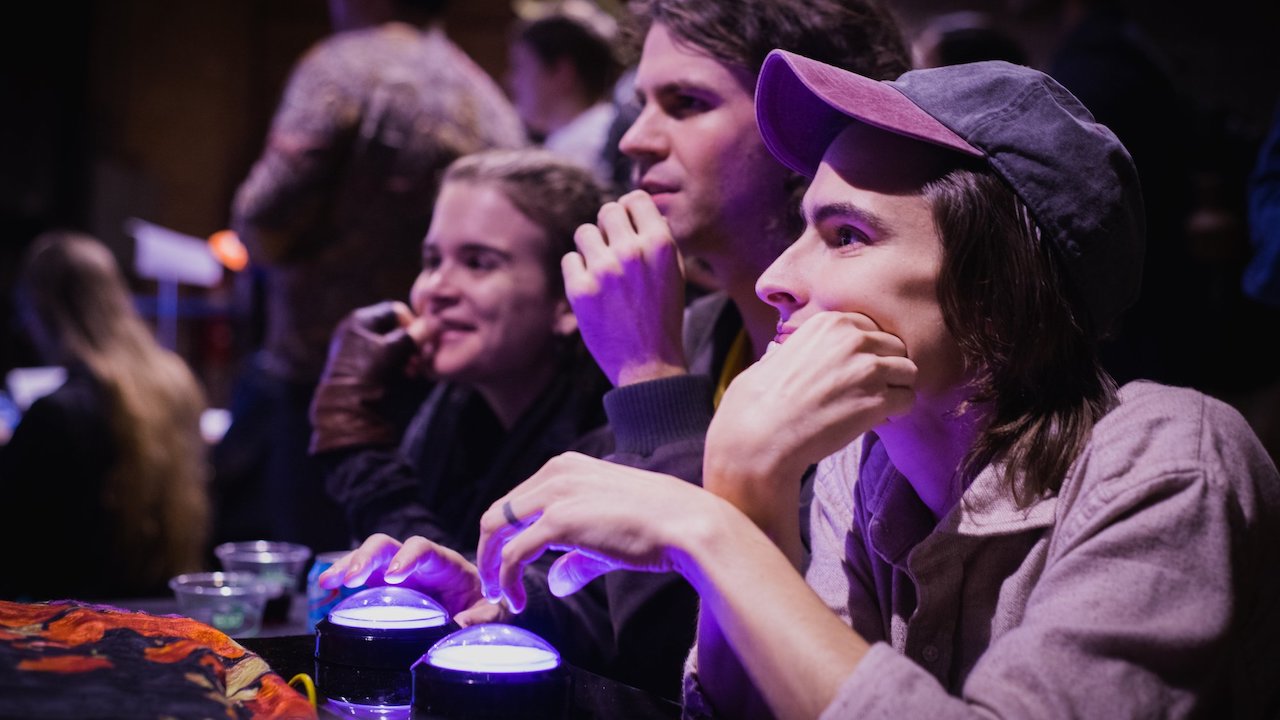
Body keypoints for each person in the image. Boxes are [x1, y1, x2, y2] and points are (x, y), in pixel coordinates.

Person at [455, 53, 1276, 718]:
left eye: (845, 235)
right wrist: (749, 491)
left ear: (996, 289)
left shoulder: (1173, 459)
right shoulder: (865, 467)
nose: (776, 277)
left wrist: (711, 528)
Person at [320, 0, 912, 699]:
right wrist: (496, 604)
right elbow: (612, 615)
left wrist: (648, 375)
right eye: (640, 104)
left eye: (685, 103)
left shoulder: (870, 360)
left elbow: (700, 666)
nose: (634, 139)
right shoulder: (701, 331)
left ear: (804, 127)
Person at [216, 0, 526, 553]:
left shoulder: (340, 70)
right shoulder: (481, 90)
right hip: (446, 385)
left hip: (323, 376)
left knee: (312, 579)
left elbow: (263, 219)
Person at [308, 148, 614, 665]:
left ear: (566, 300)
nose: (435, 290)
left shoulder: (604, 429)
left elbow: (455, 597)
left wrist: (355, 444)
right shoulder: (452, 407)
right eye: (431, 261)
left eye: (477, 262)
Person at [1, 232, 210, 601]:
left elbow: (19, 537)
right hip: (159, 605)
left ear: (43, 311)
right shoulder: (175, 382)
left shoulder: (58, 411)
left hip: (70, 618)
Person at [507, 1, 622, 186]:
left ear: (562, 72)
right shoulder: (572, 140)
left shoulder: (582, 151)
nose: (512, 82)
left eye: (520, 67)